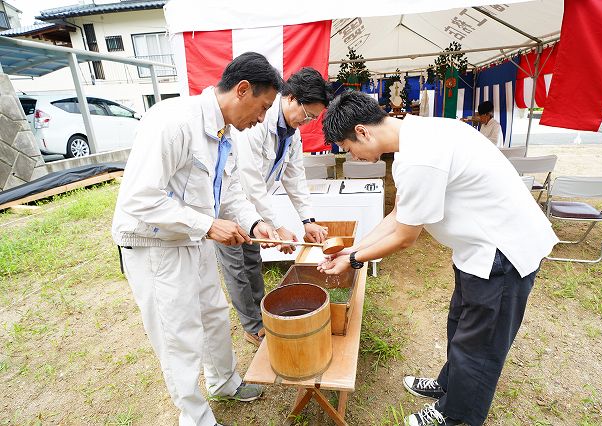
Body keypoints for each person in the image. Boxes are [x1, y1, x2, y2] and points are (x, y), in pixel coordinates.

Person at [318, 91, 558, 426]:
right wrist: (352, 249)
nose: (352, 156)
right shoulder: (414, 137)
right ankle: (449, 387)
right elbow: (399, 215)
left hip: (503, 253)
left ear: (362, 131)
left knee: (480, 346)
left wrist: (354, 260)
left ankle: (455, 416)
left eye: (348, 148)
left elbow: (404, 238)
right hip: (477, 251)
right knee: (460, 326)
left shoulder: (419, 156)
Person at [111, 52, 283, 426]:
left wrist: (255, 225)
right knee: (179, 335)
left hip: (193, 239)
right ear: (242, 90)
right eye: (263, 107)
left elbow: (231, 190)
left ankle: (224, 382)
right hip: (155, 246)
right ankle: (194, 417)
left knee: (214, 314)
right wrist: (207, 225)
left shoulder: (224, 134)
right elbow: (139, 198)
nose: (261, 118)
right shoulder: (173, 122)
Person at [217, 67, 333, 346]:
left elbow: (295, 176)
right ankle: (252, 325)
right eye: (307, 114)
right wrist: (278, 225)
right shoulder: (258, 122)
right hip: (231, 205)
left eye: (313, 119)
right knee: (237, 266)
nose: (307, 122)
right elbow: (250, 180)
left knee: (253, 260)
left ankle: (261, 315)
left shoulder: (291, 133)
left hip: (255, 209)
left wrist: (308, 220)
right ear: (291, 98)